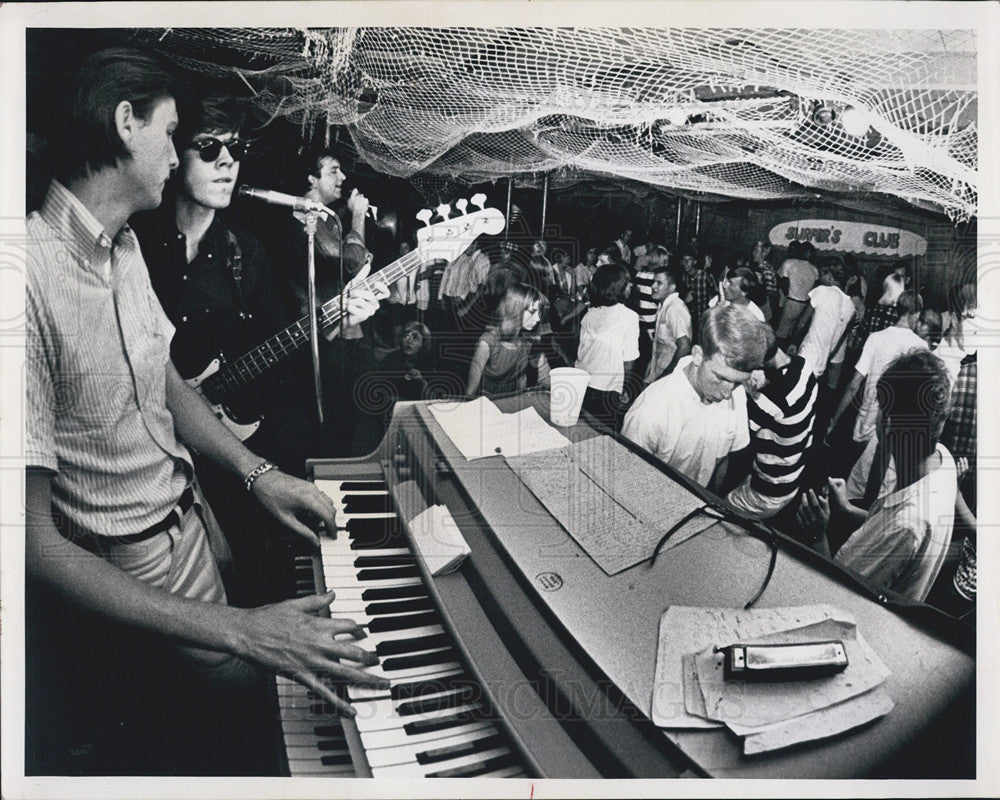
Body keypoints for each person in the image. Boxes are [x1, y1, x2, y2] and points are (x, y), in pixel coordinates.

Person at [25, 50, 385, 774]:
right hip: (130, 571)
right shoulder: (24, 278)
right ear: (127, 124)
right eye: (175, 133)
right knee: (240, 732)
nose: (176, 153)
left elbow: (164, 379)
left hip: (194, 517)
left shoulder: (122, 247)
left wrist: (257, 476)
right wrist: (242, 632)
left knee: (257, 710)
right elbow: (34, 547)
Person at [797, 350, 956, 602]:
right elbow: (885, 525)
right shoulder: (942, 461)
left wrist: (817, 535)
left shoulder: (907, 523)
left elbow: (840, 593)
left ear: (890, 425)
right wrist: (847, 509)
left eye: (882, 408)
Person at [622, 304, 768, 492]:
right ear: (698, 355)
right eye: (720, 378)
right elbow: (628, 481)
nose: (726, 393)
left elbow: (722, 461)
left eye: (737, 382)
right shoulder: (651, 411)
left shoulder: (735, 393)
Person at [826, 290, 928, 502]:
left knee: (850, 472)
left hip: (866, 417)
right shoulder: (920, 347)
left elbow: (854, 385)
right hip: (892, 424)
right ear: (916, 314)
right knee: (874, 483)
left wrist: (835, 419)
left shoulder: (876, 338)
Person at [726, 331, 818, 522]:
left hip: (769, 489)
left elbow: (735, 435)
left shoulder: (772, 399)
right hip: (793, 472)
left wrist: (742, 389)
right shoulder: (803, 366)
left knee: (722, 511)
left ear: (758, 364)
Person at [575, 263, 640, 429]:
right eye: (627, 282)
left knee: (583, 430)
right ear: (618, 286)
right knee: (604, 435)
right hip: (607, 389)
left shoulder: (590, 313)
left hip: (582, 383)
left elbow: (581, 353)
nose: (631, 285)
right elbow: (629, 361)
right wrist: (625, 388)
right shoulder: (629, 317)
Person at [466, 283, 550, 397]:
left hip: (513, 401)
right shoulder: (487, 342)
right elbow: (470, 391)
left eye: (538, 312)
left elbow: (521, 380)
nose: (538, 318)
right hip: (487, 401)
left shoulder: (528, 341)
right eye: (532, 311)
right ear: (514, 310)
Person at [789, 258, 856, 387]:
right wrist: (828, 357)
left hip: (807, 355)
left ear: (830, 276)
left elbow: (802, 323)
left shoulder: (821, 291)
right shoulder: (851, 306)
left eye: (821, 275)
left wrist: (793, 343)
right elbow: (840, 340)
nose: (819, 278)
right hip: (822, 363)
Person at [644, 266, 691, 384]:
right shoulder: (664, 305)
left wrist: (666, 377)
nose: (653, 287)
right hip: (658, 373)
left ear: (672, 287)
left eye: (659, 283)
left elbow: (684, 347)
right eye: (653, 282)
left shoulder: (675, 308)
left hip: (667, 377)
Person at [774, 240, 819, 343]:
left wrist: (784, 301)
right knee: (794, 333)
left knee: (782, 332)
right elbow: (814, 289)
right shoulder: (814, 269)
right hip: (805, 304)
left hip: (791, 301)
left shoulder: (789, 263)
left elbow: (783, 283)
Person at [681, 249, 717, 344]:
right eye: (683, 260)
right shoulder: (684, 277)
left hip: (704, 317)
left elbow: (716, 295)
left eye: (688, 260)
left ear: (695, 262)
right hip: (690, 318)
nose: (685, 263)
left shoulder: (706, 276)